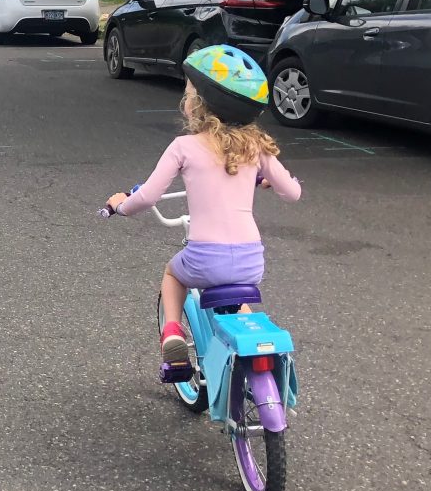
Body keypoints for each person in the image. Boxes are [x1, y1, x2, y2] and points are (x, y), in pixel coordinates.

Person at [105, 45, 302, 364]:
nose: (185, 99)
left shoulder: (183, 146)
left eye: (189, 92)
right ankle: (251, 350)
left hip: (205, 258)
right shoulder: (256, 147)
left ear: (200, 104)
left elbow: (148, 196)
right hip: (251, 260)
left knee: (174, 274)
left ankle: (172, 332)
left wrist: (120, 205)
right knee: (236, 297)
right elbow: (292, 193)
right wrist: (267, 178)